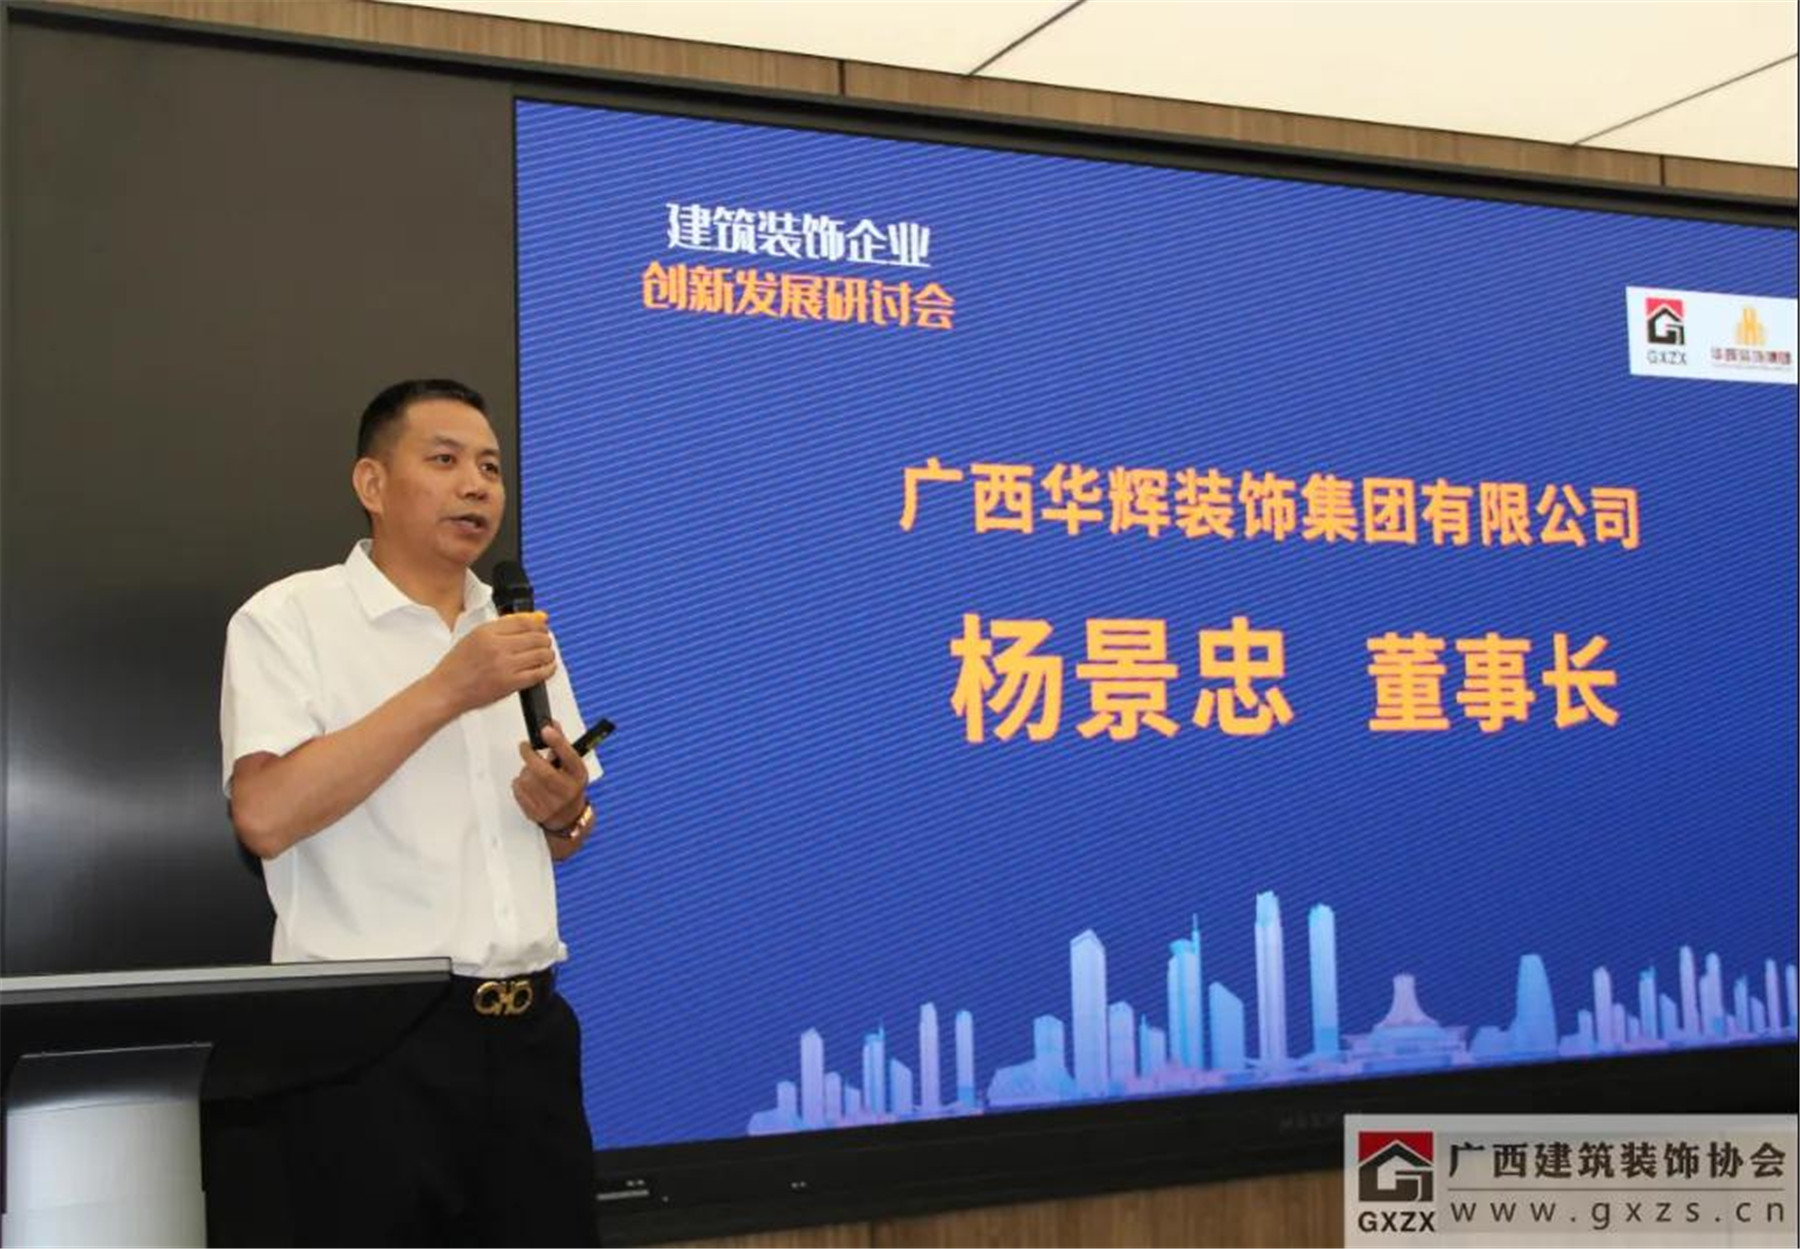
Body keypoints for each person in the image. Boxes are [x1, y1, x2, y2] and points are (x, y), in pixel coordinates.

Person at [220, 379, 601, 1247]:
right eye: (445, 460)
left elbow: (556, 835)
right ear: (372, 483)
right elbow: (265, 816)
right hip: (368, 1050)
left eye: (491, 467)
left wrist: (563, 813)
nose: (476, 485)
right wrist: (446, 687)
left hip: (530, 1039)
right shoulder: (290, 618)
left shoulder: (516, 627)